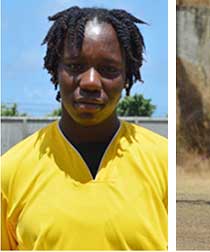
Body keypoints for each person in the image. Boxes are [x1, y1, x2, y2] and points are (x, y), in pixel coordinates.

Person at [1, 6, 167, 250]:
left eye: (108, 69)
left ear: (126, 76)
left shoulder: (163, 162)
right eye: (75, 66)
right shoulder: (10, 171)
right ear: (55, 70)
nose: (90, 82)